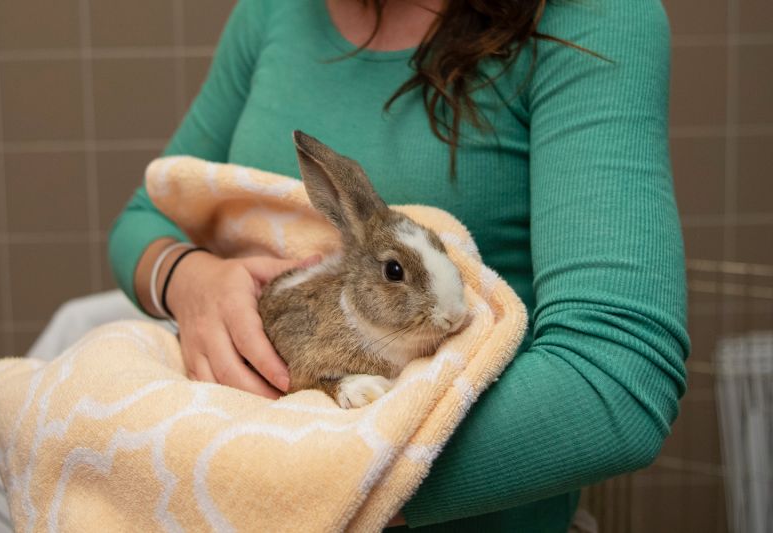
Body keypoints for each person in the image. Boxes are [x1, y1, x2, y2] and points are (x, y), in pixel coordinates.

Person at [109, 0, 690, 530]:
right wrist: (188, 278)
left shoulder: (593, 17)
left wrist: (288, 484)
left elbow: (618, 383)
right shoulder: (273, 12)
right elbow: (144, 215)